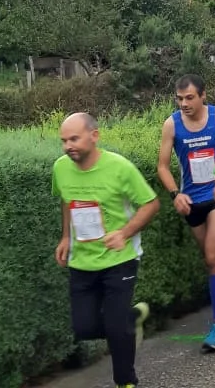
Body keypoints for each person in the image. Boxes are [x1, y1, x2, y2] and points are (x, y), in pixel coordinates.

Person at [53, 113, 157, 388]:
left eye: (74, 139)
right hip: (82, 261)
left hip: (119, 259)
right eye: (64, 141)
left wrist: (124, 233)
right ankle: (131, 319)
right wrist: (66, 236)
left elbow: (151, 204)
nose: (68, 146)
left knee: (114, 327)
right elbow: (66, 199)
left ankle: (126, 382)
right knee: (83, 328)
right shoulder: (60, 168)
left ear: (94, 136)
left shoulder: (120, 168)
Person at [154, 75, 215, 352]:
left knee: (213, 256)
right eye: (180, 99)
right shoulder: (172, 125)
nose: (184, 104)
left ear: (203, 95)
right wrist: (175, 194)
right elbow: (162, 166)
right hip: (191, 200)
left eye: (190, 98)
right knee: (210, 259)